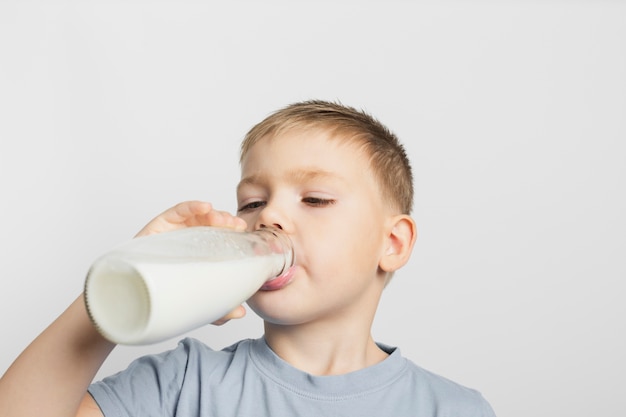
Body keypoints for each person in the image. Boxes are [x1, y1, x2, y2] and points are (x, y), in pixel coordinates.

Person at [0, 100, 496, 416]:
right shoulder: (182, 385)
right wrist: (119, 293)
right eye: (253, 202)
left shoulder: (451, 408)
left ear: (392, 244)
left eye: (315, 199)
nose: (269, 217)